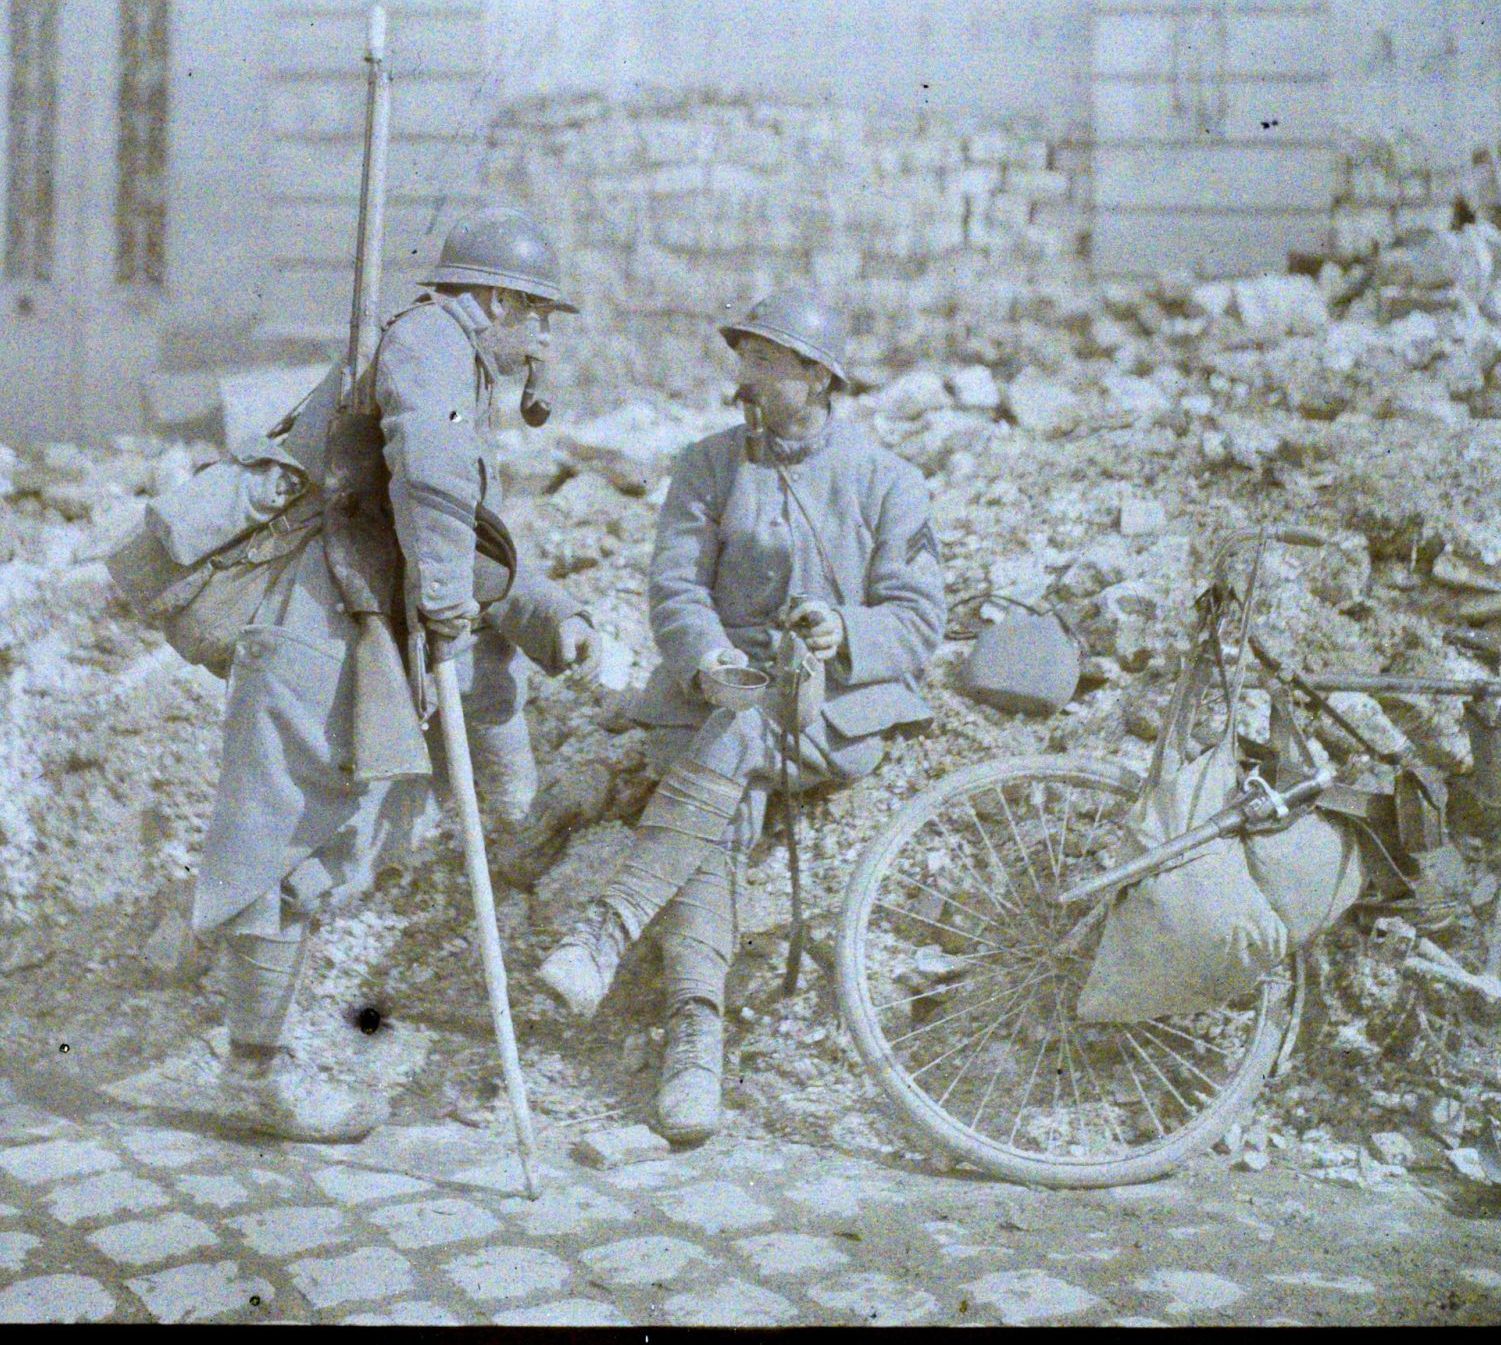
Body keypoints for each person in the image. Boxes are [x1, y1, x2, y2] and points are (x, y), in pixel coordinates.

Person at [194, 208, 602, 1142]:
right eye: (539, 316)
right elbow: (432, 487)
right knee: (284, 840)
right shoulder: (431, 343)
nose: (544, 339)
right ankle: (254, 1075)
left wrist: (543, 615)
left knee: (316, 840)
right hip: (317, 625)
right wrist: (449, 608)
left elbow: (469, 527)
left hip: (353, 620)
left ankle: (254, 1046)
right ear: (495, 300)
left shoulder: (454, 358)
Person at [537, 288, 946, 1144]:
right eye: (743, 359)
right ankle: (695, 1041)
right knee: (727, 785)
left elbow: (918, 619)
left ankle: (608, 930)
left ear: (818, 376)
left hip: (834, 702)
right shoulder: (707, 465)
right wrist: (708, 656)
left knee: (744, 733)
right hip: (718, 693)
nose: (746, 378)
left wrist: (844, 630)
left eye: (766, 361)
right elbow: (675, 586)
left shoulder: (888, 481)